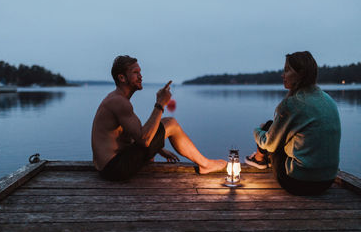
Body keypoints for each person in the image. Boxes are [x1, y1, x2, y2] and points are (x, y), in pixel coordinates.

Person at [91, 55, 227, 181]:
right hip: (114, 169)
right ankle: (205, 164)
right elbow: (144, 140)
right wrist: (161, 103)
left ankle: (203, 164)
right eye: (135, 73)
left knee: (155, 135)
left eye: (140, 72)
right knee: (171, 123)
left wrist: (159, 148)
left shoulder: (117, 100)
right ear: (122, 78)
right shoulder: (119, 102)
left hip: (108, 168)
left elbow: (131, 134)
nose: (140, 76)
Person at [245, 51, 341, 195]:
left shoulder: (293, 104)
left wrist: (256, 130)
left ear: (301, 74)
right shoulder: (328, 99)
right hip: (327, 181)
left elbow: (269, 143)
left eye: (287, 70)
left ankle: (259, 160)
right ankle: (259, 159)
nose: (283, 75)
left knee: (269, 128)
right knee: (278, 128)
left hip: (298, 182)